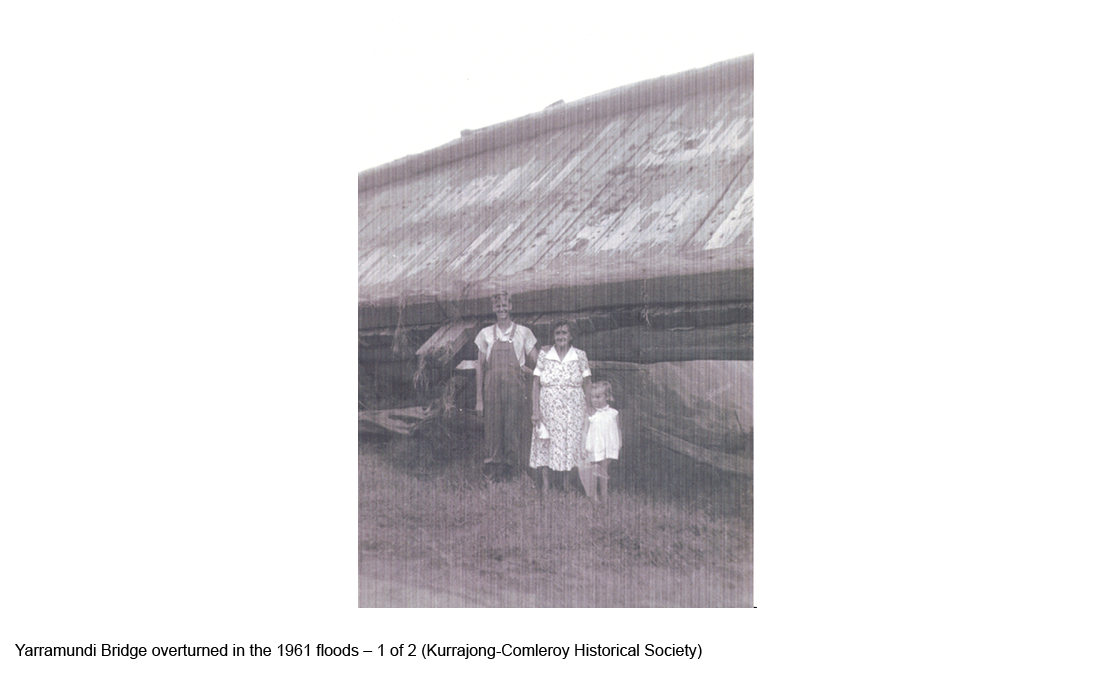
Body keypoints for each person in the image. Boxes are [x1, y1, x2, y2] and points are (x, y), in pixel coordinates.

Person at [474, 291, 538, 481]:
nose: (501, 309)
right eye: (498, 306)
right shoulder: (485, 334)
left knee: (513, 427)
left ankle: (513, 470)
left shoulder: (523, 332)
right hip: (492, 388)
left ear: (511, 307)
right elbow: (480, 367)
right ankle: (493, 472)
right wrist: (479, 399)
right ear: (493, 309)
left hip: (515, 389)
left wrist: (533, 370)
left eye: (505, 305)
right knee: (493, 428)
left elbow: (537, 361)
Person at [530, 320, 592, 499]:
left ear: (570, 336)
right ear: (553, 336)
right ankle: (546, 485)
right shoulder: (544, 355)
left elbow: (587, 383)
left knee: (569, 444)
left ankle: (567, 485)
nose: (561, 336)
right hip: (548, 409)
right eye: (557, 333)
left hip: (573, 410)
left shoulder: (580, 355)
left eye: (564, 333)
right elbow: (535, 384)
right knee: (544, 443)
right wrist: (535, 411)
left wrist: (589, 409)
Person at [580, 381, 621, 505]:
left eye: (598, 397)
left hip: (607, 446)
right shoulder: (590, 414)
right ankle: (594, 496)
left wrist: (619, 443)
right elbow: (585, 431)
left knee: (604, 472)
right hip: (594, 446)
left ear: (607, 397)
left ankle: (604, 495)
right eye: (592, 397)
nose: (594, 400)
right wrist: (583, 447)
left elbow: (617, 429)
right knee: (593, 472)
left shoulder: (613, 413)